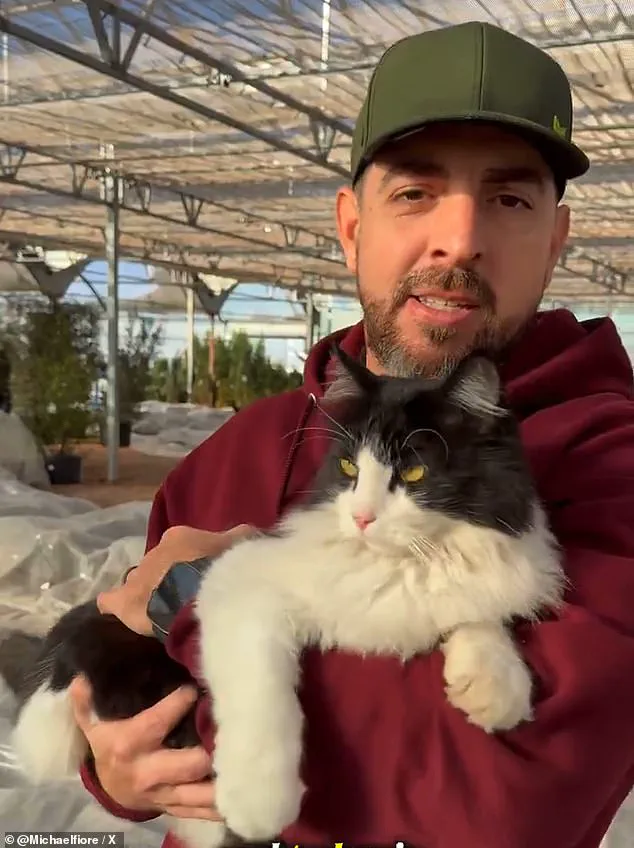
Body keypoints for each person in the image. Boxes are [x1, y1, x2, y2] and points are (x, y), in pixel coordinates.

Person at [69, 20, 634, 848]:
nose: (460, 238)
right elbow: (130, 700)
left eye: (509, 199)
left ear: (556, 239)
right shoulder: (232, 454)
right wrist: (115, 769)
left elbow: (505, 800)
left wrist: (192, 601)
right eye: (412, 192)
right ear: (349, 226)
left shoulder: (611, 463)